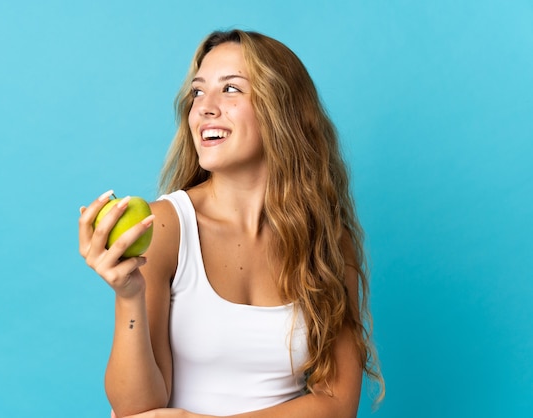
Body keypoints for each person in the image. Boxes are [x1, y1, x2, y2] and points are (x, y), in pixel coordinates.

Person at [79, 29, 384, 418]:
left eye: (231, 89)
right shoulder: (167, 227)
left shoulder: (326, 240)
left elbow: (338, 404)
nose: (205, 107)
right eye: (197, 92)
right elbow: (136, 409)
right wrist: (128, 294)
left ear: (282, 110)